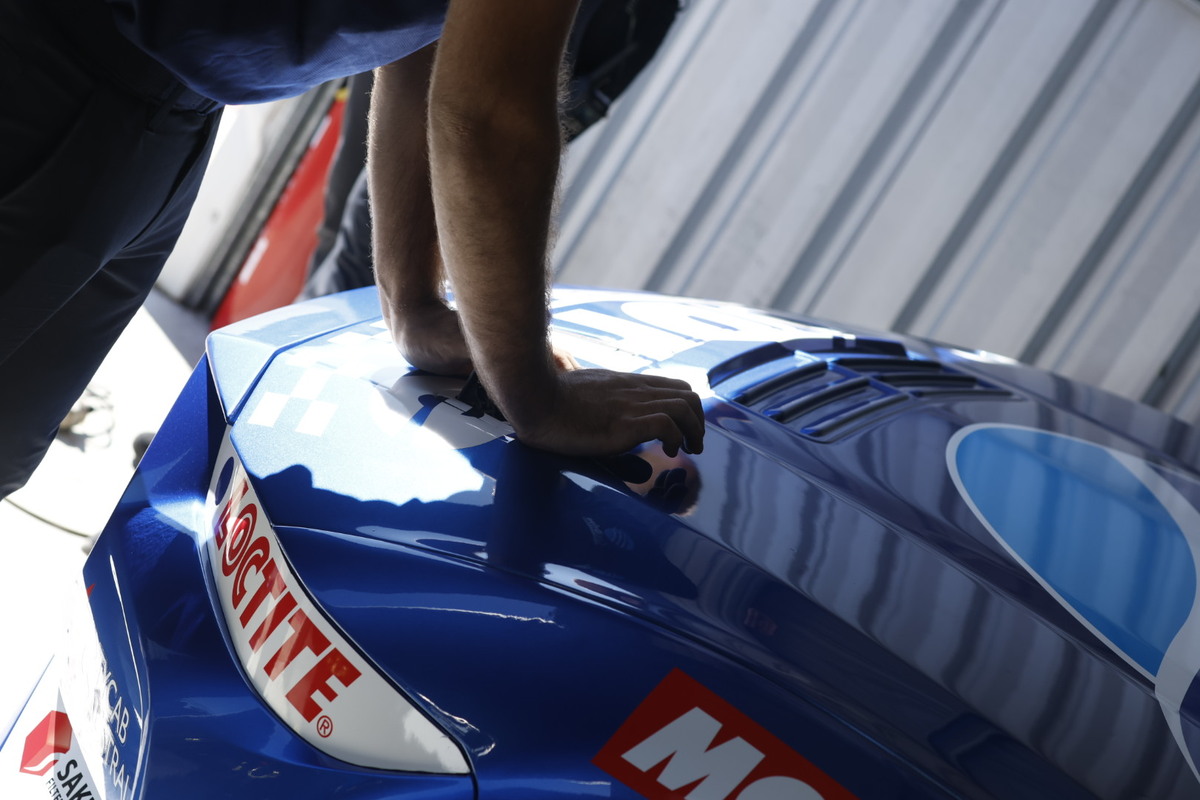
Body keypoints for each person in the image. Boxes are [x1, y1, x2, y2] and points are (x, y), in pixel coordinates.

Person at [0, 0, 704, 500]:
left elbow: (422, 35)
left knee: (8, 448)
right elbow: (489, 115)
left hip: (171, 105)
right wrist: (538, 398)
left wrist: (414, 305)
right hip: (53, 50)